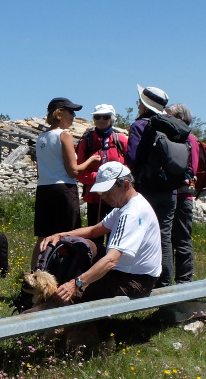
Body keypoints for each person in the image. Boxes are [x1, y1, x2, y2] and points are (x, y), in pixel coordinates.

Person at [38, 161, 161, 306]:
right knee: (83, 245)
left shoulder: (131, 214)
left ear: (126, 185)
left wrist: (76, 284)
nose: (103, 196)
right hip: (129, 271)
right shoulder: (126, 204)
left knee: (69, 296)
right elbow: (94, 230)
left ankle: (32, 319)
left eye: (108, 191)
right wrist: (60, 235)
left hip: (135, 280)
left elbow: (111, 260)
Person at [30, 98, 99, 269]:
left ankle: (35, 273)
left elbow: (40, 171)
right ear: (59, 113)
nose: (74, 116)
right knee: (68, 235)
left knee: (43, 236)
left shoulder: (41, 138)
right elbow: (73, 171)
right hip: (64, 189)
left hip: (44, 189)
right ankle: (66, 271)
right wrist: (90, 161)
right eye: (71, 112)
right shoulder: (64, 135)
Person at [125, 84, 175, 287]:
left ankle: (145, 279)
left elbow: (132, 157)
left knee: (145, 233)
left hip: (147, 188)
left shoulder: (139, 126)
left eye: (140, 102)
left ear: (145, 106)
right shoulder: (171, 126)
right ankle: (165, 280)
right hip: (170, 188)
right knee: (165, 234)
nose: (137, 105)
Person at [74, 103, 128, 250]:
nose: (101, 119)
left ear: (112, 119)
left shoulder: (121, 140)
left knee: (115, 234)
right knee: (95, 233)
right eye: (98, 116)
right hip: (95, 198)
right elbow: (79, 172)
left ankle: (112, 267)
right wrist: (100, 179)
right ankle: (94, 265)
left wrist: (114, 179)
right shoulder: (87, 141)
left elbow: (130, 167)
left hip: (117, 197)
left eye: (106, 116)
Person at [165, 103, 201, 283]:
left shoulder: (189, 139)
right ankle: (169, 279)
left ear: (179, 117)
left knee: (181, 239)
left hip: (181, 195)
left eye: (169, 115)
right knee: (169, 239)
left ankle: (184, 281)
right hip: (176, 194)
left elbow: (192, 168)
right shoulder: (181, 138)